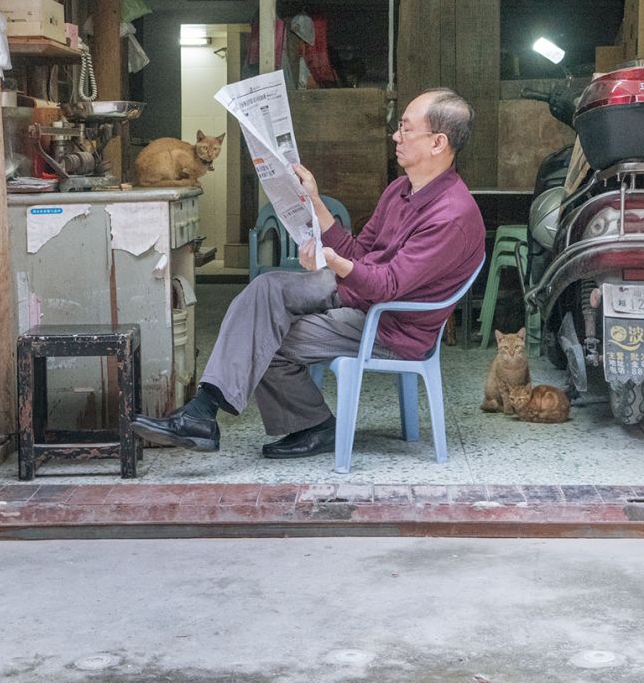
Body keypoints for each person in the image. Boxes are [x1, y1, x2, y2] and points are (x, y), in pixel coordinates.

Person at [132, 88, 486, 459]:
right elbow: (361, 253)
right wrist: (314, 202)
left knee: (262, 336)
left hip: (391, 324)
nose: (395, 136)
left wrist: (331, 261)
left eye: (406, 129)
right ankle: (204, 413)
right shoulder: (401, 189)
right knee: (266, 288)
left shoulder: (452, 216)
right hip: (359, 294)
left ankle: (306, 425)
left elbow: (388, 286)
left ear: (437, 143)